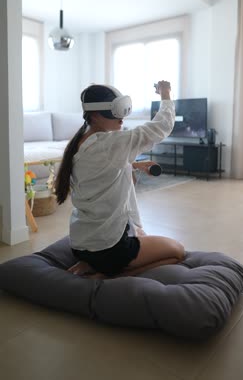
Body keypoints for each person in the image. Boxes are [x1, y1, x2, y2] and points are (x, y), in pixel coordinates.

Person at [55, 80, 185, 278]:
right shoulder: (110, 143)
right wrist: (165, 93)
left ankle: (93, 265)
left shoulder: (82, 142)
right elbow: (162, 126)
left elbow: (99, 168)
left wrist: (134, 165)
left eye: (124, 110)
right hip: (110, 249)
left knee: (147, 240)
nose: (122, 118)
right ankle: (108, 273)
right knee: (177, 252)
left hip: (81, 246)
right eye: (115, 112)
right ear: (96, 115)